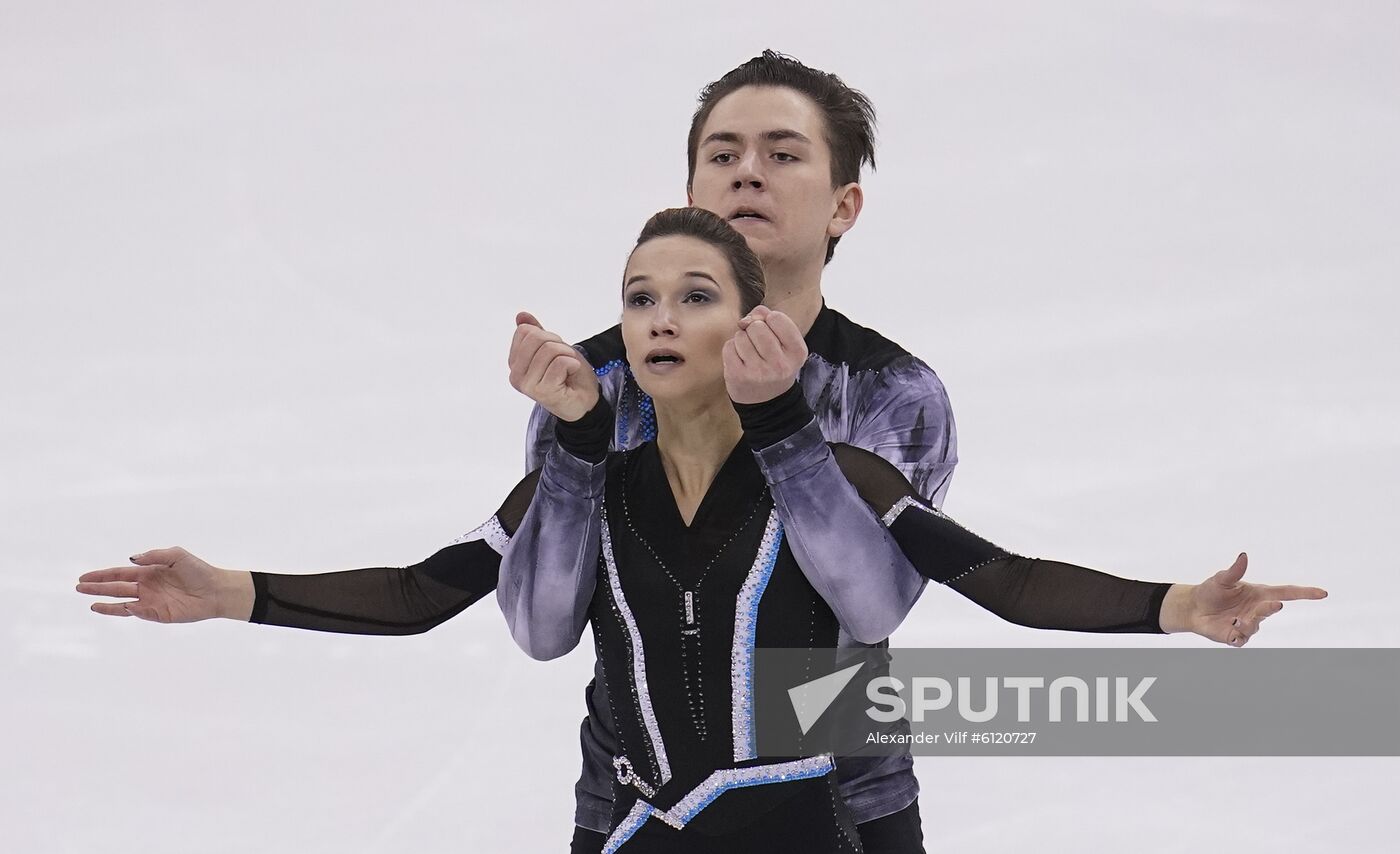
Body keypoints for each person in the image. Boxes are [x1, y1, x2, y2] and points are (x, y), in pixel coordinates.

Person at [78, 207, 1328, 852]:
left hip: (790, 827)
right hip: (626, 828)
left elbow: (988, 577)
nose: (657, 316)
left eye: (692, 294)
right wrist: (225, 586)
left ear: (747, 321)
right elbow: (428, 591)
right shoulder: (589, 476)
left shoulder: (826, 463)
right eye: (637, 298)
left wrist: (1174, 604)